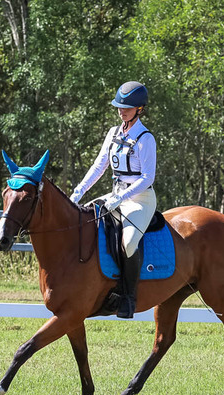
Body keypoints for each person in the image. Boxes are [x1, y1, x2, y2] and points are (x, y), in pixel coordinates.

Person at [70, 81, 157, 319]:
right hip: (116, 194)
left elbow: (148, 177)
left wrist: (121, 198)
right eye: (119, 106)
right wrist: (78, 193)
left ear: (140, 109)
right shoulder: (113, 133)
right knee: (85, 221)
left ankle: (128, 297)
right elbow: (99, 166)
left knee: (128, 242)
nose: (122, 111)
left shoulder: (145, 138)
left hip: (140, 199)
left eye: (127, 107)